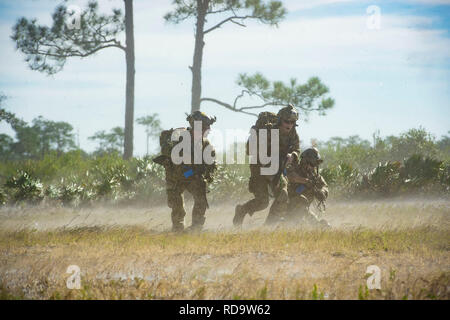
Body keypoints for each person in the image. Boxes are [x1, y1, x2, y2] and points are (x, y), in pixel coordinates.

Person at [233, 104, 301, 226]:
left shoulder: (293, 135)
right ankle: (241, 210)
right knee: (262, 202)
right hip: (260, 170)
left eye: (292, 122)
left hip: (277, 170)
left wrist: (293, 155)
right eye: (287, 121)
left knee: (283, 196)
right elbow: (250, 151)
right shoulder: (267, 132)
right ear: (280, 120)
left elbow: (297, 150)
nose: (289, 125)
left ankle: (267, 228)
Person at [153, 111, 217, 232]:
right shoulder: (181, 140)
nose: (208, 130)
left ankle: (195, 228)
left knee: (201, 199)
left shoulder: (205, 144)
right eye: (205, 127)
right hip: (175, 178)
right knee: (177, 207)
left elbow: (212, 164)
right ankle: (178, 231)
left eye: (208, 127)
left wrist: (207, 174)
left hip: (191, 176)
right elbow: (180, 169)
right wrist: (194, 174)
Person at [286, 147, 330, 228]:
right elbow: (292, 177)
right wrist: (305, 181)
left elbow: (324, 186)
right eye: (312, 164)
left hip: (303, 210)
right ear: (304, 162)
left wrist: (322, 193)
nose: (313, 167)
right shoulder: (294, 168)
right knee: (302, 202)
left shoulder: (315, 176)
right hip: (288, 208)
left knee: (320, 225)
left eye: (315, 164)